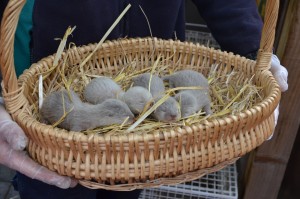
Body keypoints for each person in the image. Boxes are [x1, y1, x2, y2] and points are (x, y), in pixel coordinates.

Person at [0, 0, 288, 199]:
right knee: (51, 185)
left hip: (151, 59)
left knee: (131, 179)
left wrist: (253, 48)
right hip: (49, 70)